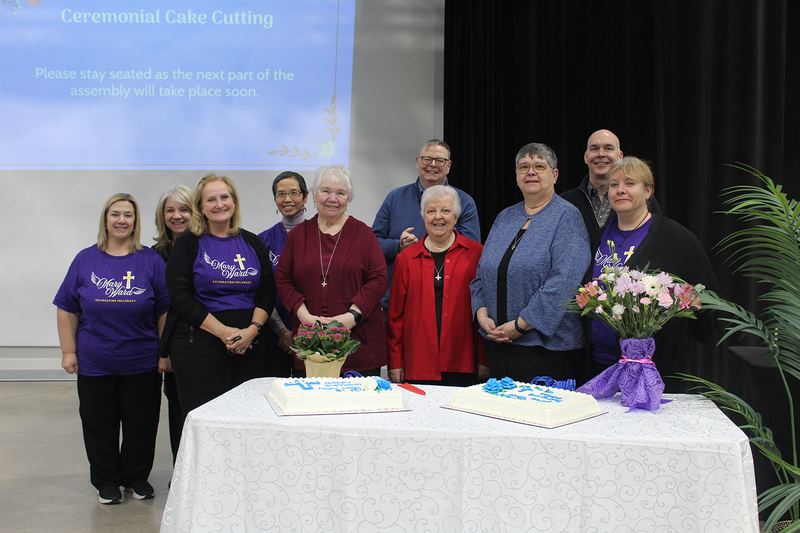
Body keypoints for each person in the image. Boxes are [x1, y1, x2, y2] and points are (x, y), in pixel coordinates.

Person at [54, 193, 169, 504]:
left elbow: (163, 311)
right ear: (105, 219)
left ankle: (135, 477)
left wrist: (163, 352)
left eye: (128, 215)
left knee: (141, 424)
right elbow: (66, 307)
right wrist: (68, 351)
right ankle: (106, 481)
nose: (121, 220)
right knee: (99, 425)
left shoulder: (150, 260)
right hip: (95, 361)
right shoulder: (85, 259)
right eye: (115, 214)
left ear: (136, 222)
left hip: (141, 360)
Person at [586, 156, 719, 392]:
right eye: (614, 185)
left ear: (648, 191)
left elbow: (708, 298)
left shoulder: (676, 238)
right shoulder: (600, 236)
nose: (620, 190)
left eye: (630, 183)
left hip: (654, 370)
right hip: (599, 365)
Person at [471, 143, 590, 383]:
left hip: (546, 350)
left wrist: (521, 325)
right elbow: (481, 274)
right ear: (516, 175)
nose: (531, 172)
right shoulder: (505, 216)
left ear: (554, 175)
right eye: (524, 167)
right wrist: (482, 316)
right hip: (497, 345)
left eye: (539, 166)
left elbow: (564, 282)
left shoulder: (567, 216)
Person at [165, 173, 275, 429]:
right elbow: (181, 297)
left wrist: (252, 330)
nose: (219, 204)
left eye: (224, 197)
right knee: (205, 424)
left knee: (247, 422)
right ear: (200, 208)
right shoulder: (187, 244)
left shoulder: (252, 242)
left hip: (250, 345)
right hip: (199, 347)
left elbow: (267, 293)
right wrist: (225, 332)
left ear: (234, 201)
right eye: (210, 199)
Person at [276, 164, 387, 376]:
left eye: (340, 193)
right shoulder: (297, 236)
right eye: (326, 191)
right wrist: (305, 317)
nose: (332, 198)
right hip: (309, 345)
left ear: (349, 198)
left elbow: (378, 279)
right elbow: (283, 279)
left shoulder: (364, 234)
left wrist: (351, 317)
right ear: (314, 196)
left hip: (358, 345)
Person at [387, 185, 488, 385]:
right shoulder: (405, 258)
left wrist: (483, 360)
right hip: (418, 363)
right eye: (431, 211)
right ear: (423, 216)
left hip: (463, 361)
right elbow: (395, 317)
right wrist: (395, 362)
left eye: (445, 211)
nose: (438, 217)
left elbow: (485, 310)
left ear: (456, 217)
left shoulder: (477, 254)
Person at [372, 139, 481, 310]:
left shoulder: (464, 202)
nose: (433, 165)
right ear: (417, 161)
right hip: (397, 300)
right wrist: (399, 246)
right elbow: (373, 245)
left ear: (449, 165)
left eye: (440, 161)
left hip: (449, 303)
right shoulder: (395, 198)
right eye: (427, 159)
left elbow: (470, 253)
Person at [152, 185, 193, 464]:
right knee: (177, 409)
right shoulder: (154, 255)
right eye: (170, 210)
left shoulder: (209, 247)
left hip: (204, 341)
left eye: (184, 209)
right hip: (172, 345)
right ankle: (181, 473)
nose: (177, 216)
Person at [561, 129, 661, 239]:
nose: (601, 154)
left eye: (608, 148)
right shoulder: (566, 201)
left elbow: (657, 238)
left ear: (620, 156)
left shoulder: (640, 199)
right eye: (594, 149)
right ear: (586, 156)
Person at [258, 171, 310, 377]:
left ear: (305, 197)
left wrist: (301, 331)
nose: (287, 199)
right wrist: (282, 331)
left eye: (294, 193)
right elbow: (262, 291)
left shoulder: (319, 235)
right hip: (275, 336)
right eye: (281, 194)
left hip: (312, 333)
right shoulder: (263, 241)